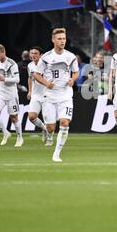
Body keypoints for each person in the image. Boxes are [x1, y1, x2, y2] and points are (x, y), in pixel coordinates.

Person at [34, 28, 79, 162]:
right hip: (49, 96)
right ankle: (49, 134)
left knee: (65, 123)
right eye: (59, 39)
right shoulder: (46, 57)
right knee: (51, 127)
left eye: (64, 39)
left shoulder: (70, 56)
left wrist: (72, 79)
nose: (62, 41)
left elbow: (76, 72)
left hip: (65, 96)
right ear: (53, 40)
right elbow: (36, 74)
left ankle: (57, 153)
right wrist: (46, 83)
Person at [0, 44, 23, 148]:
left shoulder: (12, 64)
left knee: (14, 118)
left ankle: (19, 138)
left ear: (4, 52)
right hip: (0, 94)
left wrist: (4, 79)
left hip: (11, 95)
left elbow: (17, 80)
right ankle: (6, 133)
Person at [27, 46, 48, 143]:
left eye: (35, 53)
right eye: (31, 53)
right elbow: (30, 78)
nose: (33, 55)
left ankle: (49, 137)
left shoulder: (46, 65)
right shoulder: (30, 66)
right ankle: (44, 129)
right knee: (31, 117)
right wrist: (30, 91)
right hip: (35, 95)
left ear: (41, 55)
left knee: (48, 118)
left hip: (47, 95)